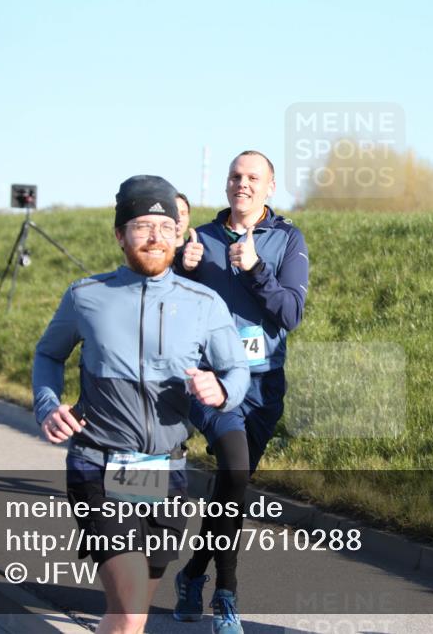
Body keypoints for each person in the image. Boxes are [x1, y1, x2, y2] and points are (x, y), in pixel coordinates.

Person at [32, 175, 250, 634]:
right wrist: (47, 404)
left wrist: (222, 391)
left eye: (166, 227)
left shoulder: (204, 302)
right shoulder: (86, 295)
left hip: (165, 472)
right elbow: (49, 354)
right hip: (99, 466)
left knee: (132, 615)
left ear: (178, 234)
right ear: (119, 234)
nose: (155, 237)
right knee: (129, 612)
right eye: (142, 225)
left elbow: (237, 371)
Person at [174, 151, 309, 634]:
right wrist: (181, 268)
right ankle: (225, 594)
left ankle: (191, 574)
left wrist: (255, 269)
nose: (243, 184)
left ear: (270, 188)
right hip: (210, 385)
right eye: (236, 176)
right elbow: (167, 304)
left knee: (232, 487)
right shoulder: (201, 239)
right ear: (226, 184)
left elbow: (290, 314)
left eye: (254, 178)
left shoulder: (287, 239)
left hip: (263, 384)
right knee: (232, 474)